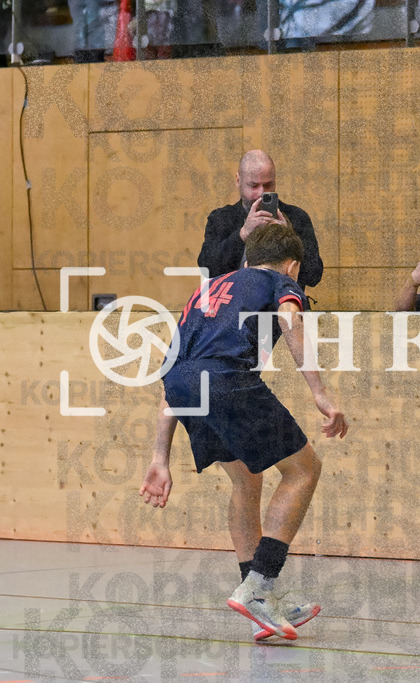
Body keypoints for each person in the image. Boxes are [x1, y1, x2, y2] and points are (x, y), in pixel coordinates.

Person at [139, 221, 347, 641]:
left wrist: (159, 457)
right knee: (304, 469)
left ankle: (258, 598)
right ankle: (260, 585)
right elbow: (291, 323)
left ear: (247, 257)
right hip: (226, 379)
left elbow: (172, 371)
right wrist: (320, 394)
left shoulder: (205, 291)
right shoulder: (279, 281)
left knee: (246, 478)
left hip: (184, 383)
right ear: (292, 266)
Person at [198, 150, 324, 289]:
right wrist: (242, 234)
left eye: (268, 185)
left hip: (282, 306)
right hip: (235, 305)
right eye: (254, 186)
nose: (261, 193)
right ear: (238, 181)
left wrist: (289, 238)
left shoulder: (297, 217)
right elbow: (208, 268)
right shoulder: (221, 218)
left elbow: (313, 276)